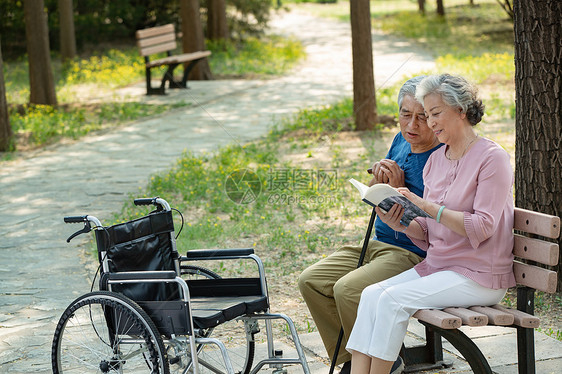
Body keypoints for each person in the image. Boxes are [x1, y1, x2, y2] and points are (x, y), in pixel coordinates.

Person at [345, 74, 516, 374]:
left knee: (391, 301)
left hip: (479, 276)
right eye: (428, 114)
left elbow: (482, 227)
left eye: (435, 114)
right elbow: (428, 234)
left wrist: (426, 206)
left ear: (461, 110)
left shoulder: (492, 158)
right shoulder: (438, 160)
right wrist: (399, 221)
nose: (430, 122)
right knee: (372, 295)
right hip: (439, 267)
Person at [298, 75, 442, 374]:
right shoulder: (402, 140)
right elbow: (376, 196)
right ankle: (354, 360)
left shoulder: (442, 157)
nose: (412, 126)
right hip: (378, 243)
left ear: (435, 117)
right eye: (405, 115)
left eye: (422, 118)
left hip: (411, 252)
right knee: (311, 281)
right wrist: (378, 182)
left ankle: (383, 362)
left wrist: (401, 191)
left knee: (348, 290)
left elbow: (438, 222)